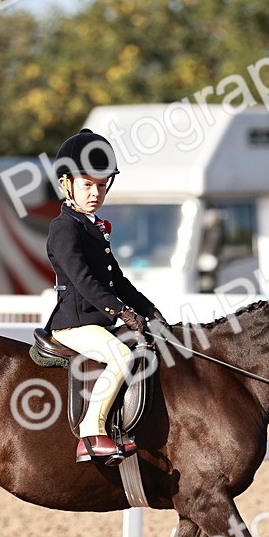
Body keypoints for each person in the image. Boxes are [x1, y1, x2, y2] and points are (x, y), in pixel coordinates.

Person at [43, 129, 167, 463]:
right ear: (66, 184)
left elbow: (117, 280)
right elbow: (84, 282)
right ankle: (91, 434)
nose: (95, 192)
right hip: (75, 323)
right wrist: (123, 312)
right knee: (121, 357)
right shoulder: (64, 228)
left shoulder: (92, 226)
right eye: (87, 185)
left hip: (96, 319)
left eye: (101, 185)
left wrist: (149, 310)